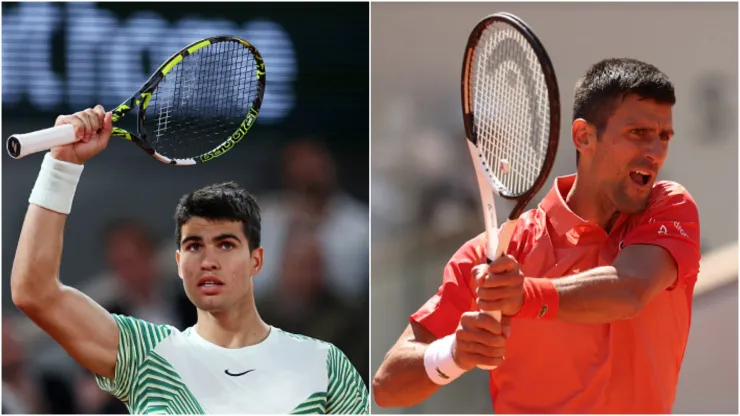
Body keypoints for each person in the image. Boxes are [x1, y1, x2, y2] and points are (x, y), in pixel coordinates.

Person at [372, 58, 701, 413]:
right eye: (638, 133)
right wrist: (454, 354)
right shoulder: (490, 253)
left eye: (663, 136)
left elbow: (629, 289)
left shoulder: (669, 205)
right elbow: (387, 387)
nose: (655, 152)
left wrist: (523, 297)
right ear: (584, 136)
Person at [10, 105, 369, 414]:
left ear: (256, 261)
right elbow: (35, 291)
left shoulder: (323, 365)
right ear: (180, 263)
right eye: (195, 246)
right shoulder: (145, 354)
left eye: (226, 245)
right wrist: (62, 165)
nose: (208, 260)